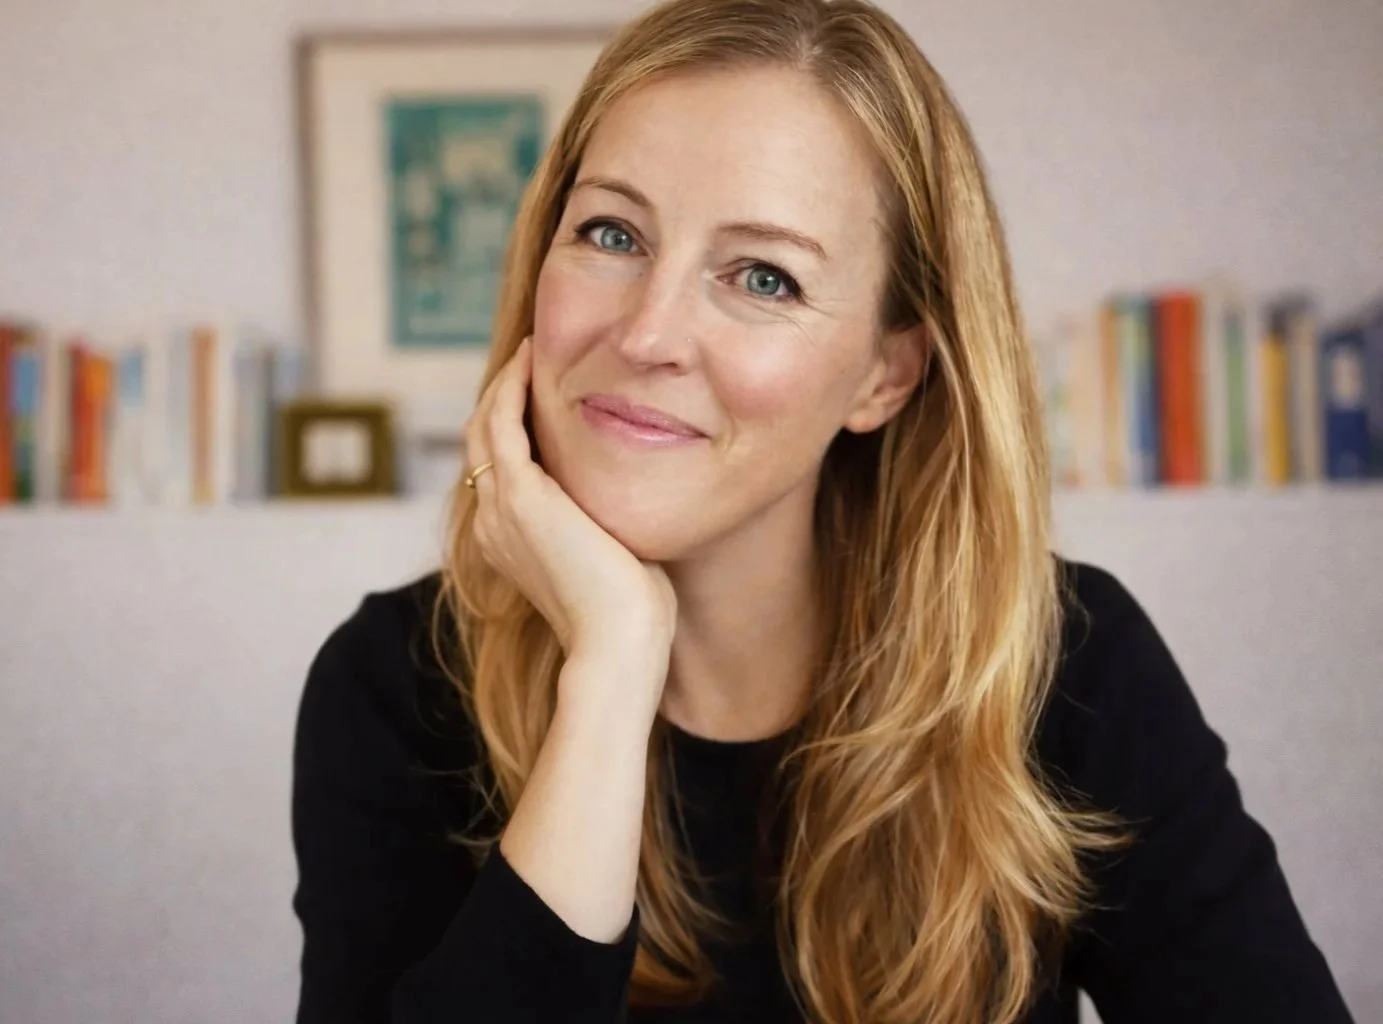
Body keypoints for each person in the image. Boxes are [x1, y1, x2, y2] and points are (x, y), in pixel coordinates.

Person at [289, 0, 1354, 1021]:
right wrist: (610, 665)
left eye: (763, 277)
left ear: (885, 376)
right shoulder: (396, 681)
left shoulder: (1066, 663)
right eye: (611, 233)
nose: (647, 334)